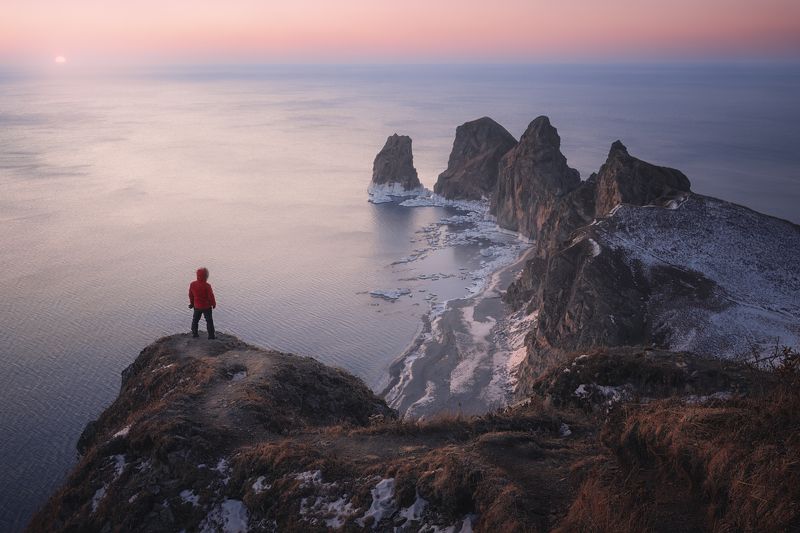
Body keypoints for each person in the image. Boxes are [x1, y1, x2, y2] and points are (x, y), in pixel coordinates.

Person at [189, 267, 216, 339]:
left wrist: (191, 303)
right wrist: (213, 303)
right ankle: (211, 336)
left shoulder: (192, 284)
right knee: (209, 321)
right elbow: (211, 296)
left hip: (196, 306)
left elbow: (191, 295)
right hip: (206, 307)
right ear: (206, 276)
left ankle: (194, 334)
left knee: (195, 320)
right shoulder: (207, 286)